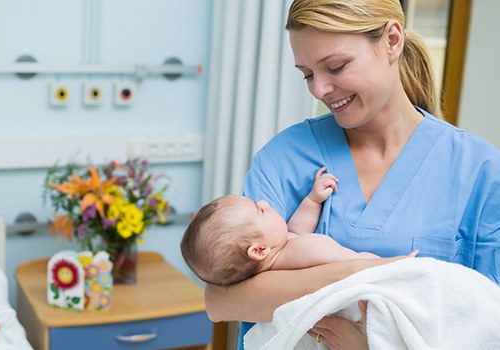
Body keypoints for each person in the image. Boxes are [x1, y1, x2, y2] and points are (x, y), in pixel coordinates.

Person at [203, 1, 500, 349]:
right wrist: (360, 273)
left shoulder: (477, 170)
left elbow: (486, 319)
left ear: (392, 40)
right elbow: (223, 299)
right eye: (308, 74)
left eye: (335, 66)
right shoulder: (283, 158)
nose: (319, 90)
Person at [182, 168, 378, 287]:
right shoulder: (308, 250)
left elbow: (297, 230)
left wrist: (313, 200)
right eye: (260, 210)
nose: (265, 203)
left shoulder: (280, 256)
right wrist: (398, 264)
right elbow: (357, 264)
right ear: (259, 250)